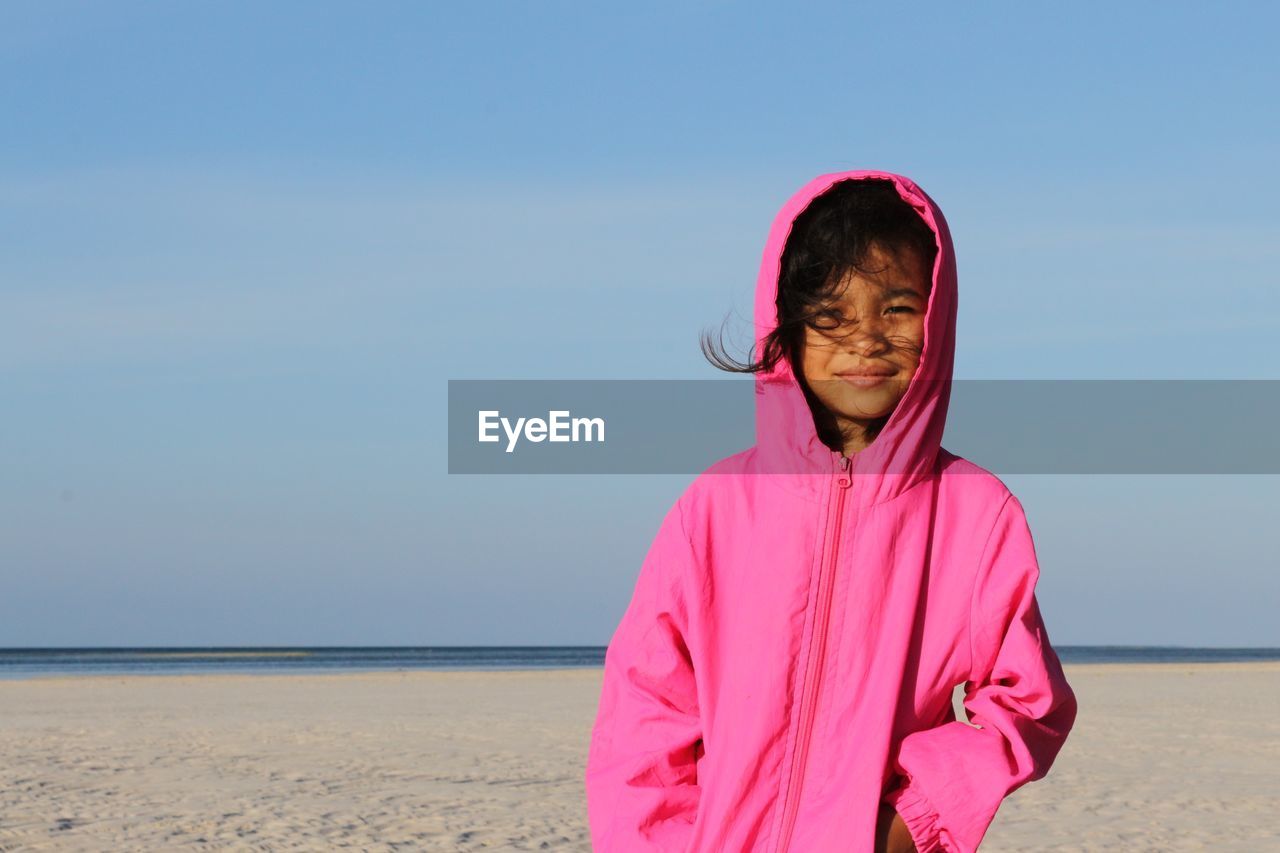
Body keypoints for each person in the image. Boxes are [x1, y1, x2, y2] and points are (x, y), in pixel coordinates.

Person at [584, 170, 1078, 852]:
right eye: (833, 315)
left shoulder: (974, 513)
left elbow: (1029, 701)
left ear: (936, 323)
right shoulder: (715, 508)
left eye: (897, 310)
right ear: (787, 327)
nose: (866, 339)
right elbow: (645, 713)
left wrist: (913, 818)